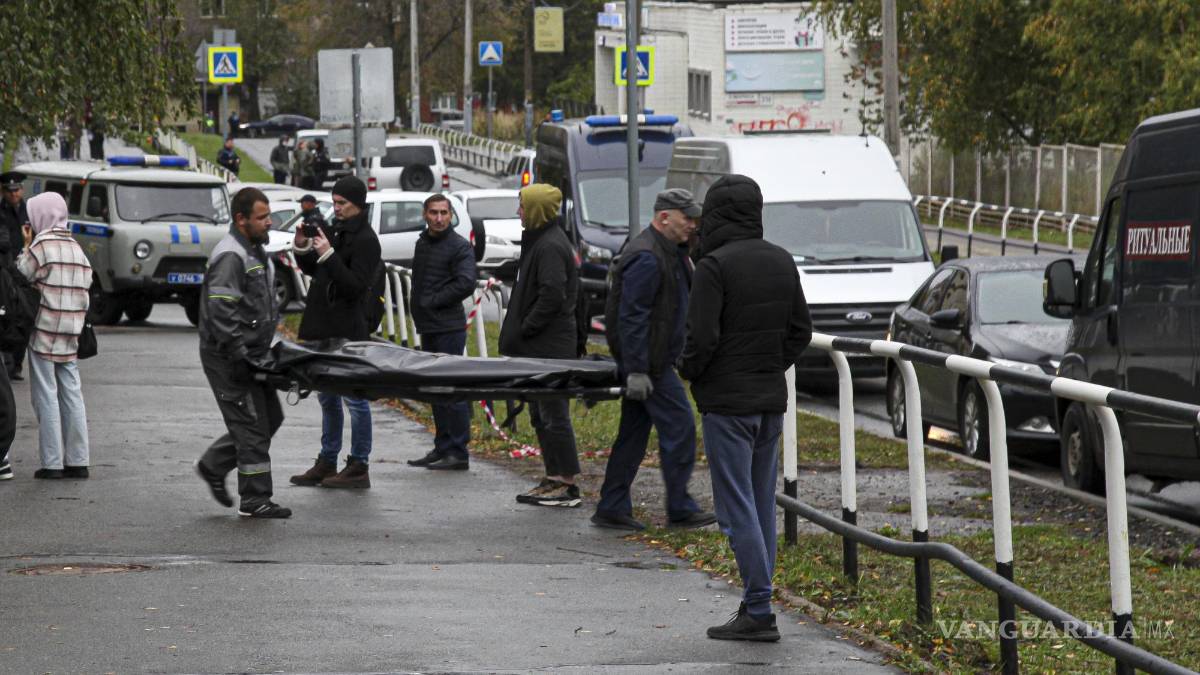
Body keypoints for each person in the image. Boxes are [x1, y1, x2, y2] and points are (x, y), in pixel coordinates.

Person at [678, 175, 812, 642]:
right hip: (770, 403)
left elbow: (701, 339)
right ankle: (758, 602)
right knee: (760, 506)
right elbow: (800, 330)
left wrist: (691, 371)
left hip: (727, 405)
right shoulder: (780, 260)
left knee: (736, 511)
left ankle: (759, 609)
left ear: (713, 214)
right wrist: (768, 365)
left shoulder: (713, 266)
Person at [592, 189, 716, 531]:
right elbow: (630, 318)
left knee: (632, 436)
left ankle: (612, 505)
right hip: (651, 367)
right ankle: (679, 507)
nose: (693, 224)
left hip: (650, 364)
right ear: (665, 217)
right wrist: (636, 371)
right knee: (680, 428)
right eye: (687, 218)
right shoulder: (648, 256)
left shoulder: (668, 251)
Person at [194, 187, 290, 518]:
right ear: (241, 219)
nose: (269, 223)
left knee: (270, 418)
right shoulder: (231, 255)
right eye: (262, 218)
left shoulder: (254, 249)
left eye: (269, 217)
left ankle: (213, 465)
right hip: (230, 356)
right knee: (250, 425)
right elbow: (222, 312)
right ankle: (255, 499)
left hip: (253, 354)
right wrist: (238, 354)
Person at [289, 176, 382, 489]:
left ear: (358, 204)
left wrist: (328, 253)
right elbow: (317, 269)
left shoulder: (367, 240)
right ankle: (327, 460)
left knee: (354, 399)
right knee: (327, 397)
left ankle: (359, 463)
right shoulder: (337, 231)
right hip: (323, 324)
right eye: (335, 202)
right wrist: (303, 246)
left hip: (348, 329)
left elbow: (355, 286)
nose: (337, 208)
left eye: (343, 203)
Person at [498, 184, 583, 507]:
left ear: (536, 210)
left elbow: (551, 295)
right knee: (540, 414)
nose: (519, 212)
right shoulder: (541, 241)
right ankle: (553, 476)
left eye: (522, 206)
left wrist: (525, 328)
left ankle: (566, 482)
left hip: (549, 347)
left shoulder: (549, 246)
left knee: (553, 414)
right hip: (538, 347)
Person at [16, 191, 94, 480]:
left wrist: (25, 245)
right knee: (73, 394)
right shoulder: (76, 248)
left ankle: (51, 463)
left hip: (44, 330)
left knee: (45, 395)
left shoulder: (41, 245)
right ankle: (78, 460)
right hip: (71, 332)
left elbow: (21, 274)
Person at [407, 194, 477, 471]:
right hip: (428, 326)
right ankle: (442, 445)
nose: (438, 218)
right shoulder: (423, 243)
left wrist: (431, 301)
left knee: (451, 389)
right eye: (433, 213)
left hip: (448, 326)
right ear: (425, 214)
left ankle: (458, 451)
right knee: (435, 389)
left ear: (451, 215)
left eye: (444, 213)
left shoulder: (459, 246)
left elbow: (465, 283)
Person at [0, 172, 30, 380]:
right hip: (4, 270)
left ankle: (17, 363)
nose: (14, 194)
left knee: (24, 316)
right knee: (6, 315)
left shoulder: (29, 211)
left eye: (17, 190)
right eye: (9, 191)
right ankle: (8, 363)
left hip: (25, 271)